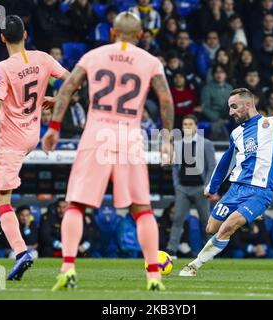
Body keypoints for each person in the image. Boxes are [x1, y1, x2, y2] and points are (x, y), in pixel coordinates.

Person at [42, 11, 174, 291]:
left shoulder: (94, 55)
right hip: (129, 137)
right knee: (142, 209)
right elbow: (165, 99)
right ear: (140, 35)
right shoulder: (150, 61)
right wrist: (166, 140)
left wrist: (54, 127)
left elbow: (66, 89)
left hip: (95, 134)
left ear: (112, 33)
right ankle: (153, 275)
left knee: (76, 204)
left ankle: (67, 268)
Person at [0, 15, 69, 281]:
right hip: (30, 133)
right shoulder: (42, 58)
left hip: (11, 139)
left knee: (4, 201)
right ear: (25, 35)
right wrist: (57, 99)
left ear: (1, 39)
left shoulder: (2, 68)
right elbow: (73, 80)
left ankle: (21, 253)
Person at [178, 78, 273, 277]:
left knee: (227, 228)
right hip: (235, 189)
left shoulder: (272, 124)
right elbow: (227, 162)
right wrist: (212, 187)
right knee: (211, 228)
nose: (230, 112)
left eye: (234, 107)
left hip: (260, 191)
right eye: (229, 107)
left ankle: (193, 266)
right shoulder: (236, 133)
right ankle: (249, 216)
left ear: (248, 103)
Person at [167, 114, 216, 258]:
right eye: (185, 125)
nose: (187, 127)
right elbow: (175, 168)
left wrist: (208, 185)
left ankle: (209, 251)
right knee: (177, 219)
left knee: (206, 221)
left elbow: (212, 165)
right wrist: (177, 185)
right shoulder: (177, 144)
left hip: (200, 188)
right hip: (183, 188)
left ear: (196, 126)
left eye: (190, 124)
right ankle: (171, 250)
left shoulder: (206, 144)